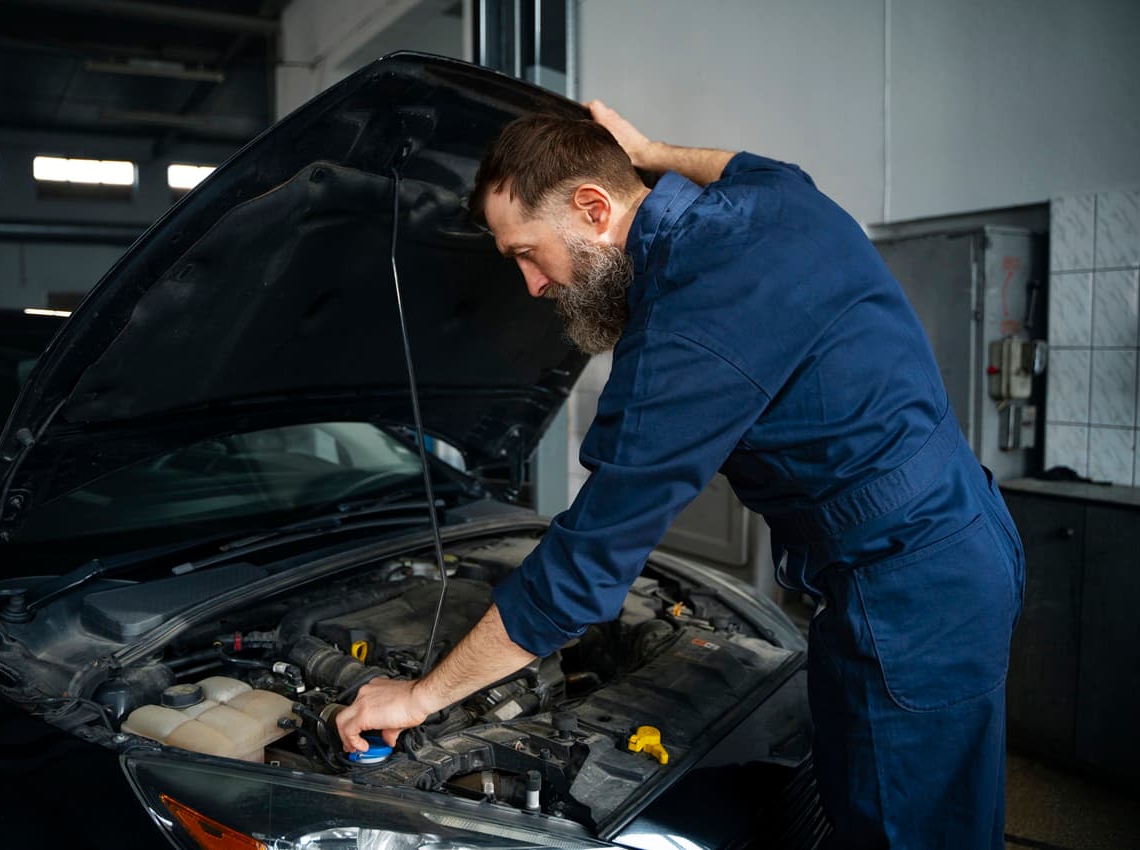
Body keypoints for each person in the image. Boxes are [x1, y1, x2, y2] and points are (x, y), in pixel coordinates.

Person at [335, 102, 1025, 849]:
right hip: (960, 533)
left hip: (904, 590)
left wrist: (419, 697)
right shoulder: (775, 199)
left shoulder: (686, 327)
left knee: (906, 828)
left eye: (527, 254)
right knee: (930, 801)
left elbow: (584, 568)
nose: (533, 285)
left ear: (594, 209)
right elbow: (741, 164)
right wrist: (650, 148)